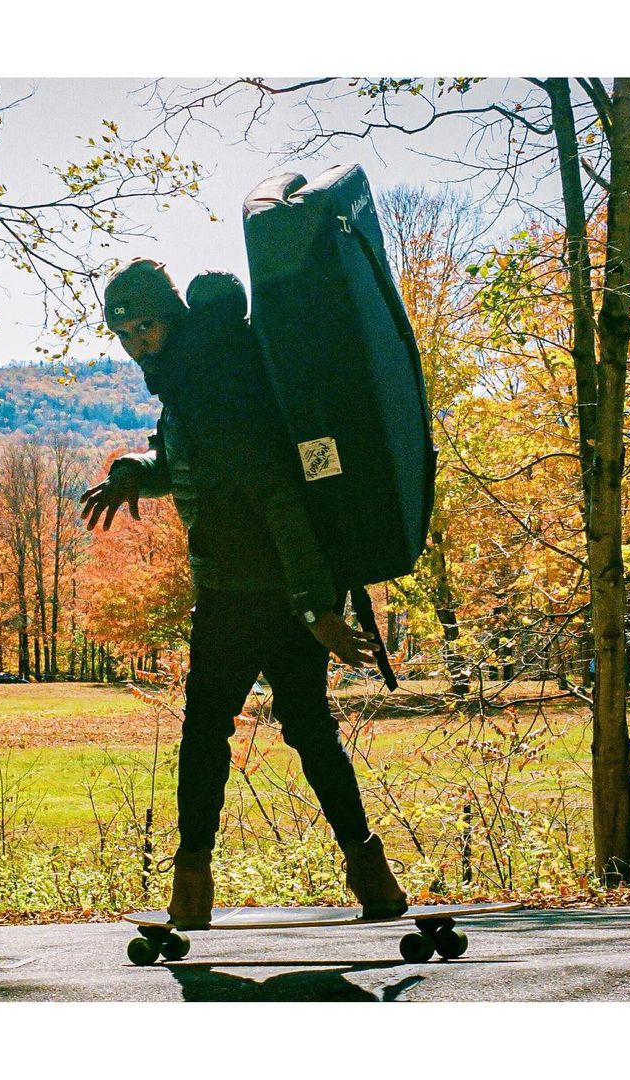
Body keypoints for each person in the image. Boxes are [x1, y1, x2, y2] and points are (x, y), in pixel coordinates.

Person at [80, 257, 408, 928]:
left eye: (145, 327)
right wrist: (132, 470)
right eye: (125, 334)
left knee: (207, 731)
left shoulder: (215, 381)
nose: (138, 343)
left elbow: (277, 495)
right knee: (308, 727)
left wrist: (315, 608)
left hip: (249, 590)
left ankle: (191, 887)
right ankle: (372, 877)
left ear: (171, 315)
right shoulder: (200, 373)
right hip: (271, 587)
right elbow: (193, 465)